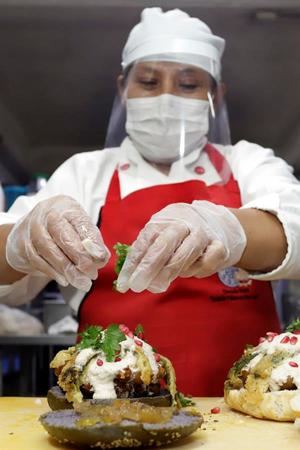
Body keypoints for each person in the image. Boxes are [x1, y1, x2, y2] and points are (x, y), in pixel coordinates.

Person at [0, 7, 299, 395]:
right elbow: (10, 278)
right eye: (149, 81)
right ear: (124, 88)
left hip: (243, 409)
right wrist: (20, 243)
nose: (167, 97)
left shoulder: (247, 162)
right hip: (106, 406)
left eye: (189, 84)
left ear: (216, 95)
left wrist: (231, 231)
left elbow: (294, 224)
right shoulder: (85, 172)